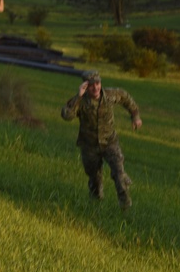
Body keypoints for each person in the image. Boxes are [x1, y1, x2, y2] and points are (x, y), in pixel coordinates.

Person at [61, 71, 143, 210]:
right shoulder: (80, 101)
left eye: (98, 84)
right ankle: (96, 206)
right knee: (95, 179)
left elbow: (125, 97)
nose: (96, 88)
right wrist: (78, 96)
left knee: (119, 173)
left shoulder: (110, 95)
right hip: (89, 146)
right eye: (91, 85)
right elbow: (66, 115)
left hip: (110, 142)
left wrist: (135, 116)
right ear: (86, 87)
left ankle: (125, 207)